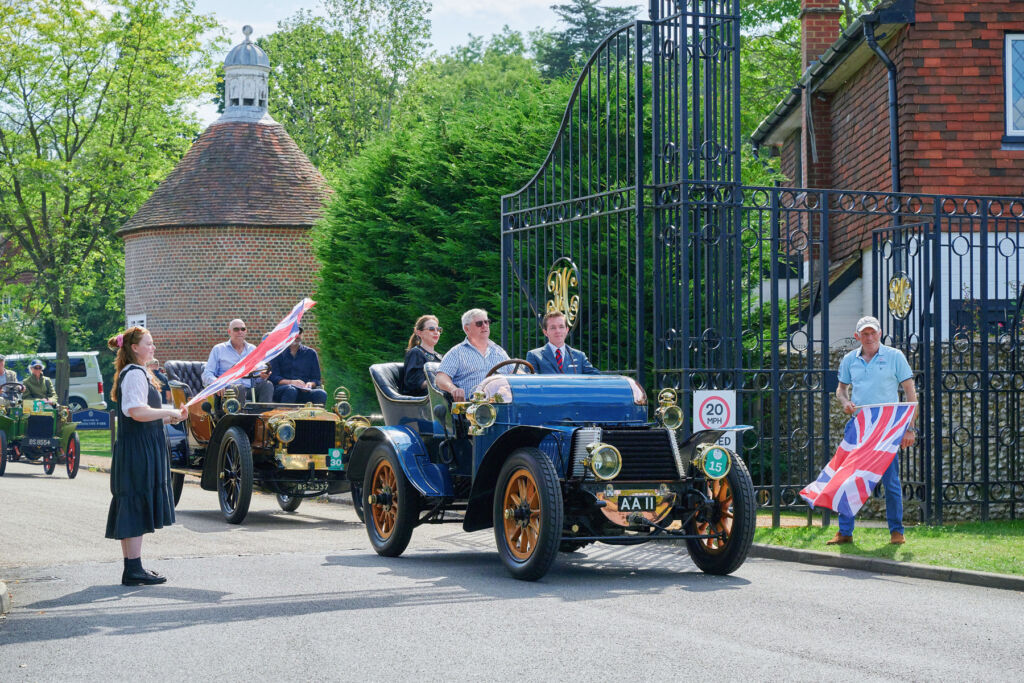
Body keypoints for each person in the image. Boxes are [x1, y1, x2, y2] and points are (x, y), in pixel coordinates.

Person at [105, 326, 187, 586]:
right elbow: (135, 411)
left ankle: (133, 568)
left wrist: (170, 414)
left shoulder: (136, 372)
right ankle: (133, 569)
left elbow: (144, 416)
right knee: (135, 504)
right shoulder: (136, 373)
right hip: (138, 449)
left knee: (133, 503)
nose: (153, 348)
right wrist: (168, 413)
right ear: (134, 348)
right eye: (148, 343)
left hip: (138, 445)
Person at [829, 315, 918, 546]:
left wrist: (910, 428)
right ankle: (845, 532)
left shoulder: (895, 357)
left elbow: (911, 394)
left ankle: (897, 532)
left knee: (891, 482)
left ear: (880, 333)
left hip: (887, 429)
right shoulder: (850, 359)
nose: (869, 337)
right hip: (859, 426)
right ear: (857, 336)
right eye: (864, 334)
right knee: (848, 479)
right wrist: (845, 402)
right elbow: (840, 390)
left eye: (873, 333)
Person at [436, 308, 513, 401]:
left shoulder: (499, 351)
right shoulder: (457, 352)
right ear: (467, 329)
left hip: (505, 402)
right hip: (474, 407)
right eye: (479, 323)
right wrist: (453, 389)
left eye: (487, 322)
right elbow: (440, 378)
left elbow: (515, 372)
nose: (484, 326)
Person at [202, 318, 273, 404]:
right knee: (239, 388)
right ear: (229, 332)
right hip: (228, 391)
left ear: (246, 331)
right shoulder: (218, 349)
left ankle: (262, 416)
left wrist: (262, 376)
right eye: (236, 329)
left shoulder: (253, 349)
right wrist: (218, 384)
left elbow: (257, 376)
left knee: (267, 385)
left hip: (250, 389)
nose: (240, 332)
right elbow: (207, 374)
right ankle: (240, 418)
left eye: (243, 329)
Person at [525, 311, 600, 375]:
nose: (558, 331)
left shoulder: (580, 356)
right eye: (553, 328)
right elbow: (531, 383)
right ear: (545, 332)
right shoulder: (534, 356)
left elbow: (595, 378)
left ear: (567, 330)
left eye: (561, 327)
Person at [268, 326, 327, 404]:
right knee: (291, 390)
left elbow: (316, 379)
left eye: (299, 333)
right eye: (293, 332)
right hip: (282, 390)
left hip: (304, 390)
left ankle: (316, 416)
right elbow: (274, 377)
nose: (297, 335)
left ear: (302, 335)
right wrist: (291, 382)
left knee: (321, 394)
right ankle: (285, 416)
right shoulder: (277, 352)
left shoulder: (311, 353)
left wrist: (309, 384)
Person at [401, 315, 444, 396]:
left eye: (438, 329)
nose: (436, 332)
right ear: (419, 333)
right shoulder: (416, 353)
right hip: (424, 402)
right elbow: (413, 383)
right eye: (431, 329)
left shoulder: (440, 357)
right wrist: (439, 381)